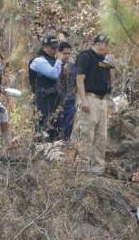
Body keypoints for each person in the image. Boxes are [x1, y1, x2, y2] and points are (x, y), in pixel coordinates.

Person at [74, 34, 115, 173]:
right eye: (106, 45)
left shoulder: (104, 60)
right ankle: (82, 166)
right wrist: (83, 100)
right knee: (87, 133)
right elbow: (79, 79)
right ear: (100, 44)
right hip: (89, 98)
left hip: (102, 99)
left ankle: (98, 168)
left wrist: (111, 66)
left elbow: (110, 80)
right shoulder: (86, 57)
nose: (108, 49)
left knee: (101, 135)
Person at [28, 35, 64, 141]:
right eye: (53, 48)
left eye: (56, 48)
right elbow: (53, 74)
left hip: (54, 100)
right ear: (45, 47)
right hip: (43, 100)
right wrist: (59, 60)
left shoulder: (53, 60)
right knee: (43, 129)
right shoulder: (39, 60)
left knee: (56, 129)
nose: (55, 50)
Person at [57, 41, 77, 141]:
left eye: (69, 53)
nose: (67, 56)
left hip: (69, 99)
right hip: (56, 99)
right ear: (59, 53)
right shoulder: (55, 64)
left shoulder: (73, 66)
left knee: (69, 121)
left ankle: (66, 141)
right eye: (65, 53)